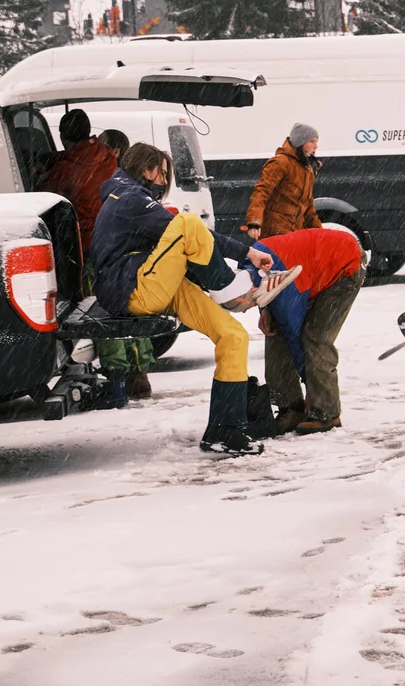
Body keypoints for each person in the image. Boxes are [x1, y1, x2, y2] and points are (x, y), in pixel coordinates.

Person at [93, 143, 298, 455]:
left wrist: (247, 253)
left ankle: (224, 430)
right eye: (161, 174)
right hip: (132, 289)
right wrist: (246, 253)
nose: (163, 181)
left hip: (152, 280)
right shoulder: (129, 197)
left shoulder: (131, 195)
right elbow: (191, 233)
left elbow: (193, 241)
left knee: (233, 336)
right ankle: (230, 290)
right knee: (188, 223)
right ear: (146, 170)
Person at [40, 112, 154, 405]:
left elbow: (44, 197)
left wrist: (47, 165)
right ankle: (140, 373)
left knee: (104, 312)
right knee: (130, 305)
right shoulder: (109, 158)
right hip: (123, 239)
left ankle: (117, 380)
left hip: (92, 246)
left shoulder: (64, 170)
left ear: (65, 138)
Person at [255, 226, 366, 435]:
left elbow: (294, 332)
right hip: (314, 267)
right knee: (275, 330)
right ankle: (291, 407)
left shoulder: (284, 279)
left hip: (345, 264)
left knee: (315, 336)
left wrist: (310, 382)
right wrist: (265, 310)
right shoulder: (251, 265)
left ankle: (326, 412)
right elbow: (261, 287)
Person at [242, 123, 322, 240]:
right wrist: (254, 221)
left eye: (316, 142)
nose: (316, 146)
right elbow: (262, 192)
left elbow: (308, 208)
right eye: (312, 141)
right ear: (301, 142)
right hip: (275, 231)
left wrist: (320, 234)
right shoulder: (280, 163)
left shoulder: (307, 169)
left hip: (294, 232)